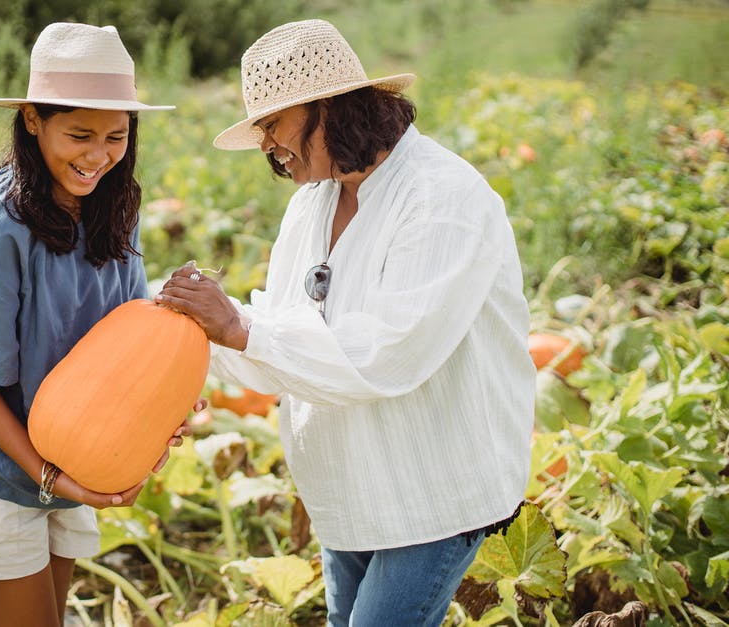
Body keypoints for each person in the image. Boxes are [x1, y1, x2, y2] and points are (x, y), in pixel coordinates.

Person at [156, 19, 534, 626]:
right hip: (348, 489)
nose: (267, 147)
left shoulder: (443, 198)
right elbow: (281, 342)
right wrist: (184, 335)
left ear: (327, 108)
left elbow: (387, 354)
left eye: (274, 125)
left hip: (431, 491)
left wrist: (237, 328)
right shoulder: (314, 203)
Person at [0, 22, 191, 627]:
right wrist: (48, 474)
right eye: (79, 135)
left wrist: (156, 419)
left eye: (116, 136)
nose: (98, 156)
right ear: (34, 120)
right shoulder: (2, 227)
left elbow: (128, 343)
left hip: (72, 454)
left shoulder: (117, 203)